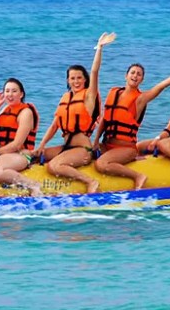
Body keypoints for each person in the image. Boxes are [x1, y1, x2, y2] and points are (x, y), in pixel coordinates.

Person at [93, 60, 170, 190]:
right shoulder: (114, 93)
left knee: (101, 164)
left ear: (142, 79)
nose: (135, 76)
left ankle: (138, 176)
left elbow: (161, 86)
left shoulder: (140, 99)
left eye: (139, 74)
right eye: (132, 72)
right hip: (107, 145)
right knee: (86, 151)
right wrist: (95, 141)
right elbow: (105, 120)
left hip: (126, 149)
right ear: (126, 75)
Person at [34, 32, 115, 193]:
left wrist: (99, 48)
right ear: (67, 80)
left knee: (54, 166)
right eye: (72, 78)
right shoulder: (65, 97)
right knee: (32, 157)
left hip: (82, 150)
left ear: (85, 80)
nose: (76, 81)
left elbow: (94, 72)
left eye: (79, 78)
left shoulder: (88, 97)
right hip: (66, 147)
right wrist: (41, 146)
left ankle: (90, 181)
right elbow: (54, 126)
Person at [0, 77, 41, 196]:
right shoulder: (7, 109)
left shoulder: (26, 113)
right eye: (7, 91)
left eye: (14, 91)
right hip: (4, 153)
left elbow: (17, 144)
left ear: (21, 94)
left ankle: (33, 185)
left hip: (20, 155)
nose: (10, 94)